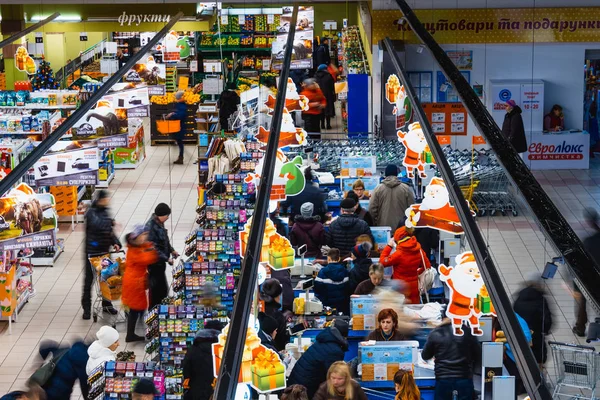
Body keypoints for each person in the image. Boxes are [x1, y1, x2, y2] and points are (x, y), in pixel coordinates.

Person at [83, 189, 121, 320]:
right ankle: (86, 309)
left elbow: (109, 231)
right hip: (92, 253)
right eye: (106, 199)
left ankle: (107, 305)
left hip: (105, 253)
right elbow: (97, 225)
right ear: (100, 200)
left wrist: (116, 242)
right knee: (89, 281)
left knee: (106, 279)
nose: (108, 201)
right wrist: (110, 222)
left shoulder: (105, 212)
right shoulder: (90, 212)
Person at [287, 319, 349, 398]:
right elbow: (334, 378)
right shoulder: (334, 351)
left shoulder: (324, 341)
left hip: (296, 385)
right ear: (344, 336)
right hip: (303, 391)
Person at [421, 319, 481, 400]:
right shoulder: (468, 332)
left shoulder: (436, 333)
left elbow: (425, 355)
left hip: (443, 379)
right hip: (464, 379)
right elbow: (478, 355)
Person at [122, 225, 158, 342]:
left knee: (137, 307)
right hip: (134, 282)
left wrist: (148, 245)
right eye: (144, 235)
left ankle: (133, 330)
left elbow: (144, 248)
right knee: (135, 308)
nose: (146, 237)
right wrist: (152, 249)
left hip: (136, 280)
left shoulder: (136, 246)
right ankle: (130, 335)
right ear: (138, 236)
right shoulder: (134, 251)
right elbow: (147, 259)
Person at [379, 226, 431, 304]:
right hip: (414, 287)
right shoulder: (418, 249)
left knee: (401, 311)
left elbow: (382, 262)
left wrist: (389, 246)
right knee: (414, 310)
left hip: (400, 287)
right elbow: (427, 266)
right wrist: (416, 273)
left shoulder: (399, 254)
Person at [513, 273, 553, 366]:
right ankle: (540, 378)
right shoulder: (541, 300)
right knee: (540, 360)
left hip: (521, 336)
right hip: (536, 337)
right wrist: (545, 330)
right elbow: (547, 320)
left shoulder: (519, 297)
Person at [146, 203, 179, 310]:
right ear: (162, 215)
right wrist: (166, 258)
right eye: (167, 215)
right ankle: (154, 311)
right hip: (154, 263)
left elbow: (165, 240)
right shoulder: (151, 226)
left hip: (160, 263)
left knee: (162, 289)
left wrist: (172, 250)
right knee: (156, 290)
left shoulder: (159, 223)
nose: (168, 217)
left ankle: (160, 309)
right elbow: (152, 248)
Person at [573, 207, 600, 336]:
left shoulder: (588, 242)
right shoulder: (592, 239)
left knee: (582, 303)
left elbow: (581, 261)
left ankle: (580, 327)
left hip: (587, 278)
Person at [182, 320, 222, 400]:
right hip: (217, 390)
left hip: (195, 390)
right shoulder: (223, 349)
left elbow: (186, 369)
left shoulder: (194, 348)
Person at [370, 164, 415, 230]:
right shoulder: (406, 189)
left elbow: (372, 209)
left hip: (383, 229)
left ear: (386, 174)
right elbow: (412, 209)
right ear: (396, 174)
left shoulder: (377, 189)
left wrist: (376, 224)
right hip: (402, 229)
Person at [314, 248, 350, 314]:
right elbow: (347, 289)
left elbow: (317, 290)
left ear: (328, 259)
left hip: (327, 305)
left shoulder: (322, 272)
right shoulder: (345, 272)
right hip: (342, 305)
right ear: (339, 259)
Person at [259, 278, 289, 351]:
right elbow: (281, 342)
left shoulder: (258, 309)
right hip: (273, 351)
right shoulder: (278, 316)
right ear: (277, 296)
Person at [166, 91, 187, 165]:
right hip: (178, 126)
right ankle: (180, 157)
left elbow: (181, 115)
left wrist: (172, 115)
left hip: (179, 126)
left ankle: (181, 157)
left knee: (180, 142)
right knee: (179, 141)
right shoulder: (180, 104)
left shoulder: (181, 105)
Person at [315, 64, 335, 130]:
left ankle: (322, 125)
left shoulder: (315, 76)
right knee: (327, 110)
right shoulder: (328, 76)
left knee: (321, 110)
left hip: (318, 96)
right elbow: (332, 86)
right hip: (327, 95)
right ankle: (328, 125)